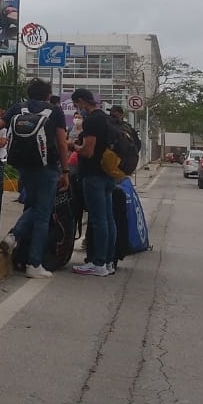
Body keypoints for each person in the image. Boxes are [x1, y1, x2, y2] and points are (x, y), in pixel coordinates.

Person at [0, 78, 70, 279]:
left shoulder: (17, 108)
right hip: (47, 167)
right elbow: (62, 144)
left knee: (34, 204)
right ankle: (33, 263)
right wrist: (65, 171)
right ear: (48, 95)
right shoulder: (54, 111)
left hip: (23, 166)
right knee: (42, 214)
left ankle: (14, 236)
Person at [70, 88, 115, 276]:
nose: (76, 110)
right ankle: (109, 262)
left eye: (75, 105)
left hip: (93, 175)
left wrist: (74, 146)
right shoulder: (106, 118)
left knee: (98, 220)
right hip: (108, 174)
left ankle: (98, 263)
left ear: (81, 101)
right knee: (108, 218)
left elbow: (88, 151)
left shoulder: (92, 120)